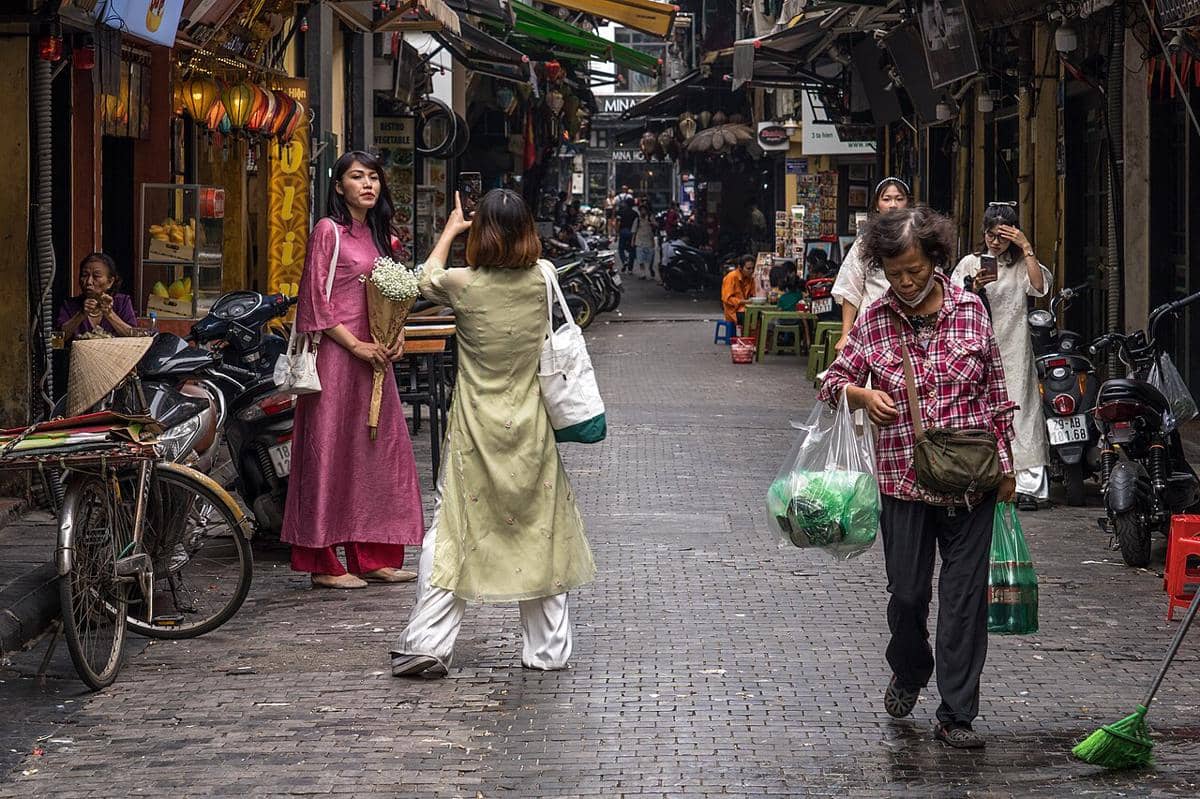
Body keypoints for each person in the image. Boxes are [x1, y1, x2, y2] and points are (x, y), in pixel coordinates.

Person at [819, 207, 1016, 750]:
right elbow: (831, 381)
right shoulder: (876, 319)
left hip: (972, 480)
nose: (906, 282)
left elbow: (997, 394)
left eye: (914, 270)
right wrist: (859, 393)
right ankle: (910, 669)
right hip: (903, 482)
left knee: (964, 600)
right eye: (895, 272)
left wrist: (1008, 466)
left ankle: (957, 713)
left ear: (936, 259)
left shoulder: (972, 311)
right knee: (907, 597)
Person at [390, 189, 596, 677]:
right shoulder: (543, 278)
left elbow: (423, 279)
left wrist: (450, 229)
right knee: (540, 533)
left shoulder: (464, 285)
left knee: (453, 531)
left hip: (474, 432)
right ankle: (547, 651)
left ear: (480, 234)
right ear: (528, 231)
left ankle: (428, 642)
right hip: (531, 433)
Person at [281, 150, 424, 590]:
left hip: (375, 358)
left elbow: (387, 295)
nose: (368, 184)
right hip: (338, 360)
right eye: (357, 177)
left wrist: (395, 334)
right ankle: (323, 561)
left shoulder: (378, 236)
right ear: (338, 185)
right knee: (328, 452)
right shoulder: (328, 231)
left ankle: (374, 554)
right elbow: (314, 303)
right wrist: (356, 345)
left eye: (374, 177)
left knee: (377, 452)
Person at [952, 203, 1052, 511]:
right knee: (982, 408)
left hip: (1014, 343)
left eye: (1002, 237)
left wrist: (1026, 247)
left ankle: (1030, 485)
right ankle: (985, 477)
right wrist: (974, 287)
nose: (995, 242)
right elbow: (953, 301)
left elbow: (1039, 288)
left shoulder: (1020, 263)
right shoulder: (970, 263)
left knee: (1022, 409)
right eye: (990, 235)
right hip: (979, 345)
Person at [832, 178, 913, 351]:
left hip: (911, 320)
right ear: (877, 204)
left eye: (899, 199)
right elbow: (850, 287)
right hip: (872, 321)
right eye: (886, 199)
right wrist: (846, 334)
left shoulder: (919, 239)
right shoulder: (865, 241)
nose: (893, 205)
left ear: (908, 203)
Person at [57, 252, 138, 342]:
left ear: (110, 282)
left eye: (96, 276)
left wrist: (110, 314)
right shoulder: (69, 305)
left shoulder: (122, 302)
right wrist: (81, 314)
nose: (89, 282)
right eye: (84, 275)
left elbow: (134, 336)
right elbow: (58, 340)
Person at [721, 254, 757, 327]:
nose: (751, 271)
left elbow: (753, 295)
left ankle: (751, 338)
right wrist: (744, 301)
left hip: (745, 309)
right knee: (754, 318)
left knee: (759, 316)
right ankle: (748, 337)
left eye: (753, 268)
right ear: (740, 268)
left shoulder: (750, 279)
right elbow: (727, 299)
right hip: (733, 311)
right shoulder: (731, 277)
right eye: (748, 268)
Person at [632, 204, 656, 280]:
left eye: (644, 210)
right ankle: (643, 273)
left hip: (649, 240)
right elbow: (634, 231)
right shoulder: (637, 219)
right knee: (640, 258)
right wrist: (632, 240)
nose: (642, 212)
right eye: (641, 210)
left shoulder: (650, 218)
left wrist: (652, 223)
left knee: (650, 258)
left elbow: (656, 225)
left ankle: (650, 268)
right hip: (639, 241)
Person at [617, 198, 638, 273]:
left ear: (626, 204)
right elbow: (637, 225)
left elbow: (618, 223)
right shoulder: (635, 213)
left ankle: (624, 260)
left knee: (621, 248)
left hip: (623, 231)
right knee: (632, 249)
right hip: (632, 232)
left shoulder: (621, 212)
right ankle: (630, 268)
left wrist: (616, 234)